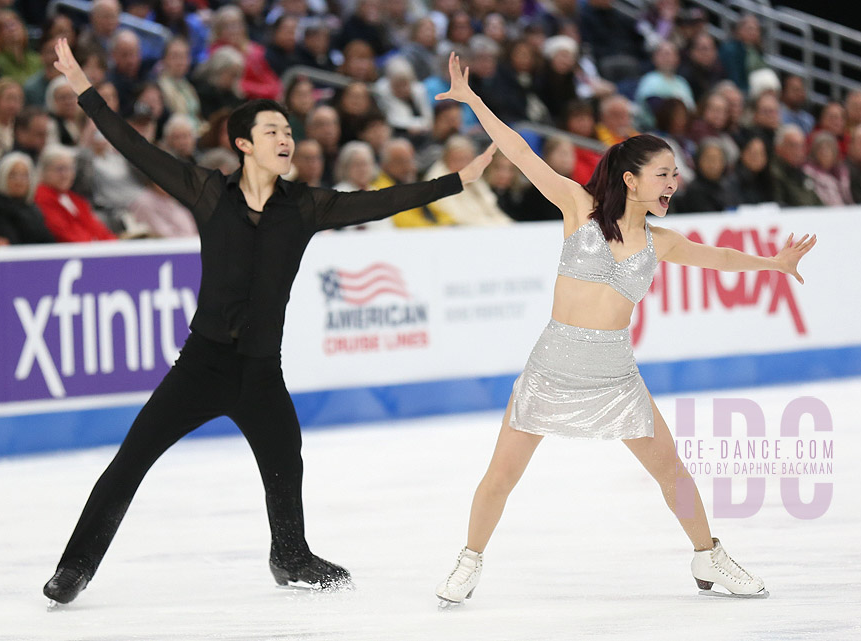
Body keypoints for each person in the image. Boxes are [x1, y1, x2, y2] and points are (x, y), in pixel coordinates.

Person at [41, 38, 495, 606]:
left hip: (260, 372)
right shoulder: (209, 192)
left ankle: (291, 556)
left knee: (285, 461)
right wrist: (85, 91)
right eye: (273, 131)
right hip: (201, 366)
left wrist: (456, 181)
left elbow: (380, 201)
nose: (286, 139)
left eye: (287, 131)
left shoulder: (304, 206)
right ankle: (74, 568)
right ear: (243, 144)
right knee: (129, 463)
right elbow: (135, 148)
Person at [432, 50, 816, 605]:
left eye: (675, 175)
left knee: (671, 471)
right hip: (552, 366)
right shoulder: (578, 208)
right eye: (664, 175)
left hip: (614, 373)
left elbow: (722, 258)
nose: (673, 183)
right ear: (631, 179)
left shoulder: (663, 242)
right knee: (501, 476)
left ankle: (708, 555)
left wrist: (773, 264)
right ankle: (468, 562)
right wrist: (472, 100)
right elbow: (518, 151)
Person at [0, 151, 54, 243]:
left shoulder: (32, 207)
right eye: (13, 175)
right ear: (2, 176)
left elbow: (48, 239)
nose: (19, 181)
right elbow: (10, 242)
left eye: (24, 175)